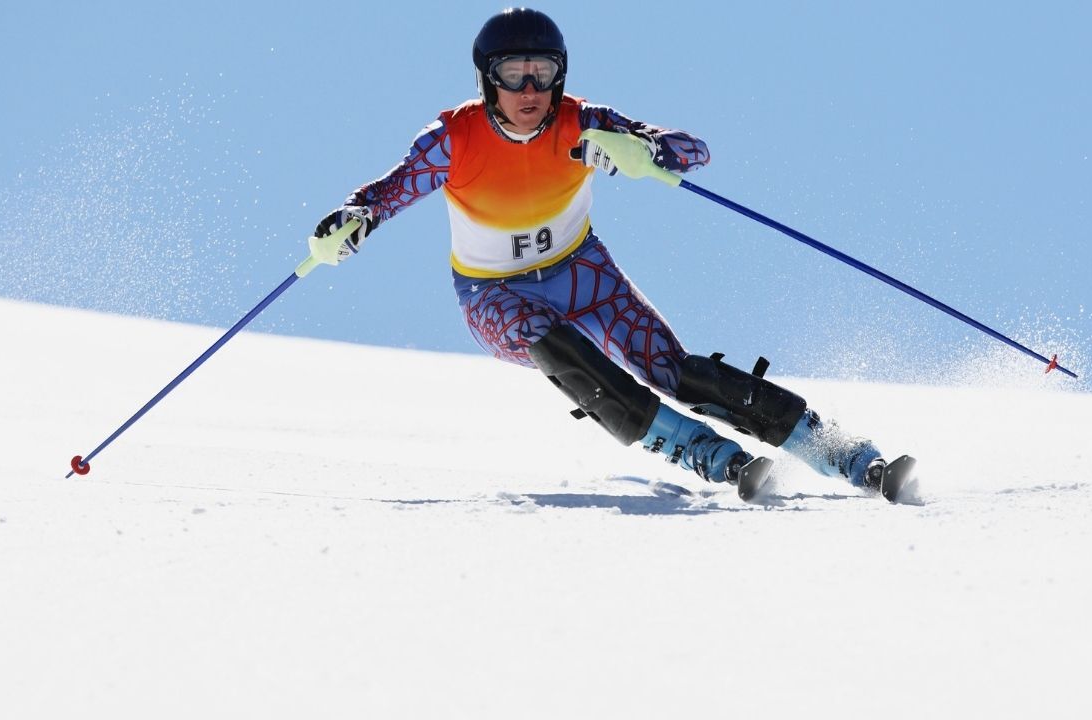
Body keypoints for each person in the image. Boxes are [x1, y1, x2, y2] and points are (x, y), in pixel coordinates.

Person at [310, 7, 892, 499]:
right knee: (556, 345)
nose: (530, 90)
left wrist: (642, 150)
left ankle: (842, 453)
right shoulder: (452, 139)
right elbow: (384, 194)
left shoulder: (582, 124)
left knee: (673, 369)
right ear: (487, 79)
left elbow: (694, 150)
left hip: (583, 273)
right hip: (494, 294)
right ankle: (706, 453)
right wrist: (352, 221)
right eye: (513, 74)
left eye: (543, 73)